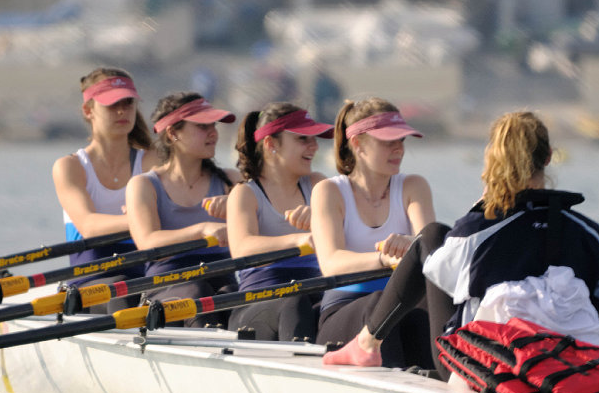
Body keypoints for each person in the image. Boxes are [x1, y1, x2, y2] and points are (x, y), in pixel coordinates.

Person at [322, 110, 599, 378]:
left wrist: (478, 210)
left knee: (430, 237)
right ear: (548, 157)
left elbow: (440, 279)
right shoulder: (592, 236)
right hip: (578, 366)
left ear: (492, 160)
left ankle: (366, 344)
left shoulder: (476, 230)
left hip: (485, 367)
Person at [310, 97, 437, 369]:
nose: (399, 148)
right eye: (388, 141)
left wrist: (412, 244)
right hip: (344, 309)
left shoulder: (414, 187)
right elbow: (330, 263)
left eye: (401, 140)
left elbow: (430, 247)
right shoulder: (329, 191)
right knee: (380, 304)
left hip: (401, 309)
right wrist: (383, 259)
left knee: (424, 313)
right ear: (357, 143)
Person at [125, 92, 241, 327]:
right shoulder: (144, 185)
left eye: (214, 125)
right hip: (165, 284)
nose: (213, 133)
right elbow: (147, 241)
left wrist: (240, 208)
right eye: (202, 126)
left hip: (221, 279)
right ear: (173, 133)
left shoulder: (231, 181)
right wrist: (201, 230)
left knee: (232, 296)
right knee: (197, 291)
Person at [52, 67, 158, 312]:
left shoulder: (153, 161)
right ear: (88, 110)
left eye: (128, 103)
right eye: (112, 104)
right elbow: (88, 226)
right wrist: (142, 218)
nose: (122, 111)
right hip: (91, 277)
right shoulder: (70, 166)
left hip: (143, 271)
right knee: (122, 292)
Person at [225, 103, 334, 341]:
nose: (314, 146)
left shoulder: (318, 184)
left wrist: (321, 218)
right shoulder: (245, 193)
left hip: (313, 292)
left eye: (314, 138)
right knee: (295, 301)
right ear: (271, 144)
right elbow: (241, 248)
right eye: (303, 139)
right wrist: (298, 240)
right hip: (257, 302)